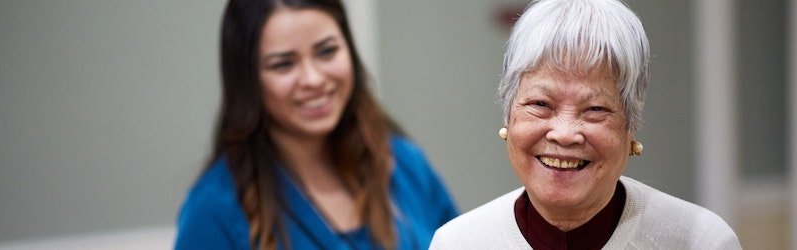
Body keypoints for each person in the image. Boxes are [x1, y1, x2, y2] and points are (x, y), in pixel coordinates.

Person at [430, 0, 741, 249]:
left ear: (629, 127)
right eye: (541, 104)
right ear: (509, 116)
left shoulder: (701, 241)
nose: (564, 134)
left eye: (595, 109)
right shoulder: (458, 243)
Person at [174, 0, 458, 249]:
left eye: (326, 52)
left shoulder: (405, 165)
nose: (313, 79)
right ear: (247, 81)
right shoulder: (214, 210)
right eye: (283, 64)